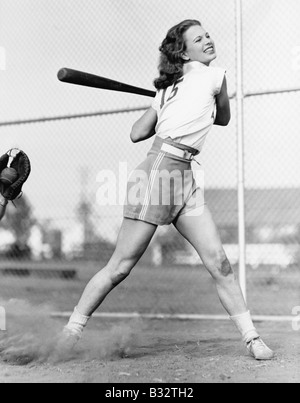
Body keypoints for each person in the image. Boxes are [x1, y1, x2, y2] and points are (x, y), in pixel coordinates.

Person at [62, 20, 274, 360]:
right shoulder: (171, 88)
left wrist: (171, 101)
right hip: (157, 172)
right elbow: (137, 133)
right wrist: (162, 104)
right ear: (182, 50)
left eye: (207, 35)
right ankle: (70, 332)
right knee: (120, 266)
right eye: (198, 38)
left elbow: (220, 118)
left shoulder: (213, 77)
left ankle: (252, 338)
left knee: (219, 262)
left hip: (185, 178)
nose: (207, 40)